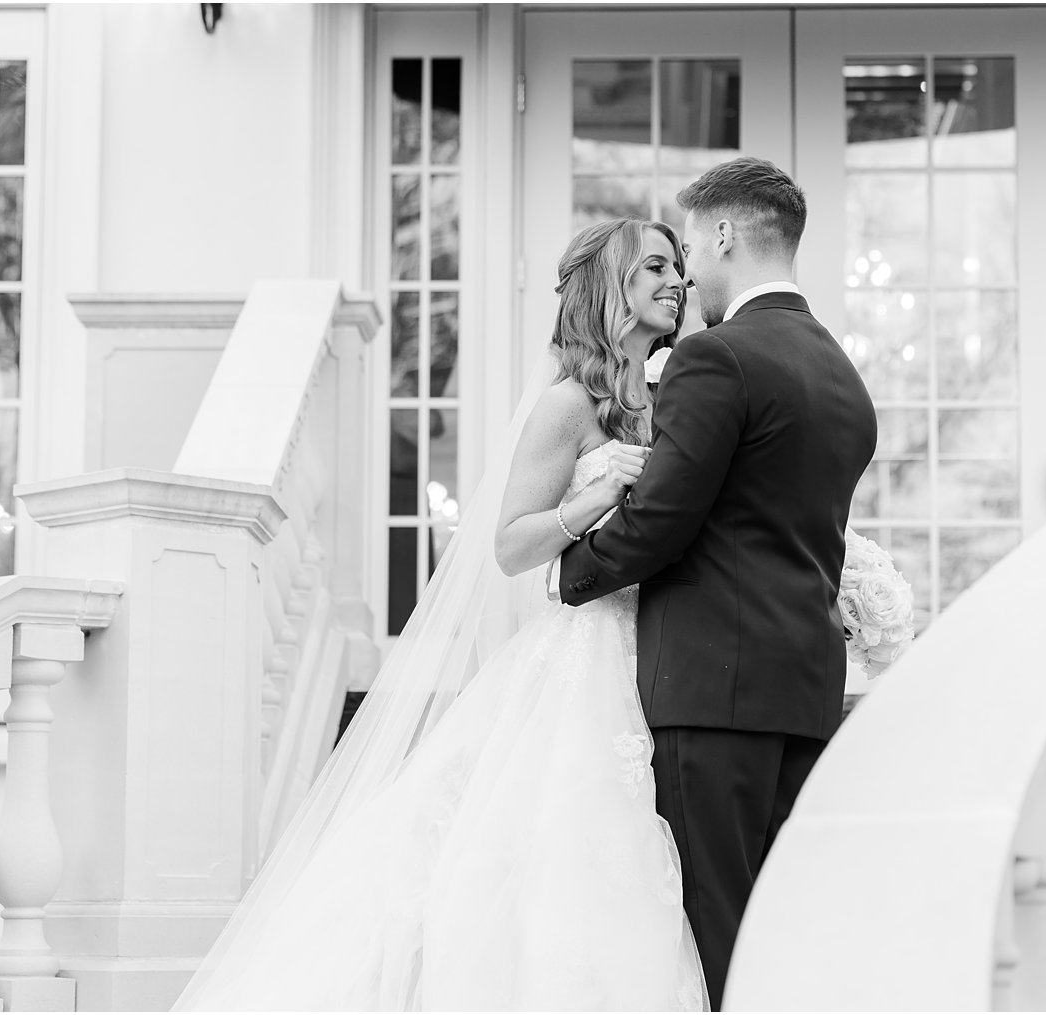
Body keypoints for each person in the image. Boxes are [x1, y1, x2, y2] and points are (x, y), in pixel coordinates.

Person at [174, 218, 709, 1011]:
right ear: (613, 288)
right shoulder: (566, 405)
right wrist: (596, 495)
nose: (677, 283)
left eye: (680, 269)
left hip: (651, 642)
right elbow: (510, 544)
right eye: (657, 267)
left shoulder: (664, 399)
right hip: (582, 654)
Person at [558, 157, 878, 1010]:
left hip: (714, 693)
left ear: (726, 233)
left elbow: (662, 518)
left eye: (691, 242)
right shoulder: (844, 377)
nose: (688, 268)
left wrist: (571, 572)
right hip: (805, 694)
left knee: (716, 939)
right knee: (784, 930)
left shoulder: (718, 359)